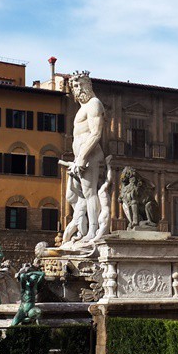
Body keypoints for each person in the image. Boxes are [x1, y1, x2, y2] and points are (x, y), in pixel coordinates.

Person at [69, 72, 107, 241]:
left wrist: (83, 156)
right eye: (75, 86)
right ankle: (82, 230)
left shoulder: (94, 104)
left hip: (89, 154)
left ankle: (92, 231)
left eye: (80, 85)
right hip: (79, 157)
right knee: (74, 196)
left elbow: (96, 133)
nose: (78, 89)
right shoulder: (82, 108)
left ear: (88, 85)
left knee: (90, 193)